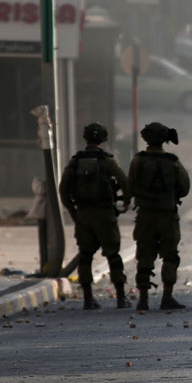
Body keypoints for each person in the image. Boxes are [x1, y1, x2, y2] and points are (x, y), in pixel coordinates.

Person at [58, 123, 131, 310]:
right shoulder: (107, 162)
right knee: (113, 255)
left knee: (85, 256)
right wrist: (127, 201)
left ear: (86, 138)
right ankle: (121, 298)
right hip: (105, 215)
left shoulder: (75, 162)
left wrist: (73, 212)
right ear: (103, 139)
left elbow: (63, 189)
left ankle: (88, 299)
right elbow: (124, 181)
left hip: (83, 215)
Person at [127, 122, 190, 311]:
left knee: (145, 256)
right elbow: (185, 187)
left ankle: (143, 299)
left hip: (145, 215)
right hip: (167, 216)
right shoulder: (173, 161)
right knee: (170, 256)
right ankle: (167, 296)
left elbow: (130, 186)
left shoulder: (138, 160)